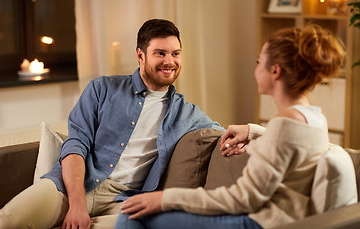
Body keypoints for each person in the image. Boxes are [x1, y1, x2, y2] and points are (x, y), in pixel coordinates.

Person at [115, 24, 348, 229]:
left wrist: (164, 199)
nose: (256, 70)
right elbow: (289, 142)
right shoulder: (312, 116)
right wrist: (253, 131)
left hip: (257, 223)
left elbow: (242, 199)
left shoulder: (285, 124)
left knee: (132, 214)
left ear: (275, 71)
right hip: (271, 218)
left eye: (259, 62)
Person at [0, 19, 223, 229]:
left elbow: (223, 133)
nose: (169, 61)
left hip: (124, 201)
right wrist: (77, 206)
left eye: (175, 54)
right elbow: (76, 145)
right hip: (69, 188)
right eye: (160, 53)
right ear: (141, 55)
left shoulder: (187, 113)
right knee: (8, 220)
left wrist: (248, 130)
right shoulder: (102, 89)